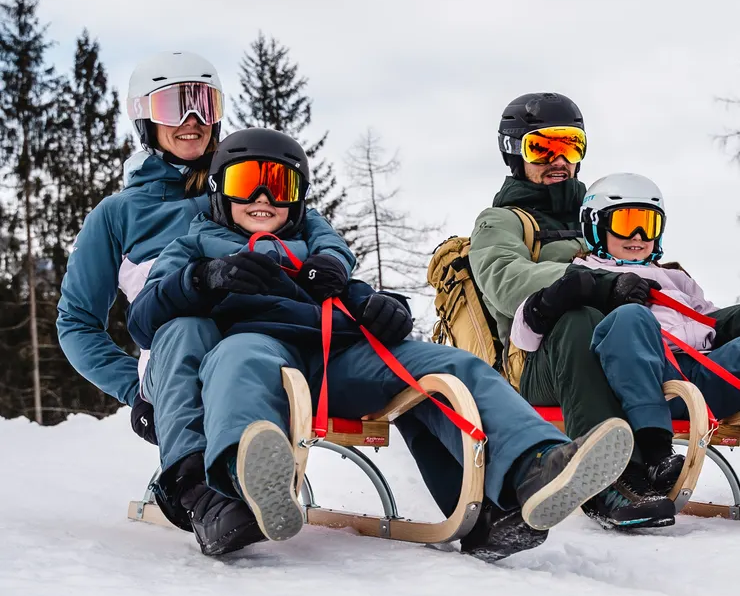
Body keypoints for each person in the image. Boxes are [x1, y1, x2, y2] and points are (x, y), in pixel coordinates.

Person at [127, 127, 635, 562]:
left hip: (339, 354)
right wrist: (204, 279)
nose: (264, 198)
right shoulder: (193, 246)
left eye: (280, 185)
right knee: (238, 360)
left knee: (449, 365)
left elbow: (358, 300)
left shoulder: (322, 253)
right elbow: (145, 318)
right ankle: (243, 484)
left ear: (298, 196)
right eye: (246, 182)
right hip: (255, 349)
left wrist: (380, 307)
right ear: (220, 191)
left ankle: (535, 465)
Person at [57, 51, 270, 552]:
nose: (192, 120)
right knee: (188, 328)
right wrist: (133, 391)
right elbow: (77, 321)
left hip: (261, 343)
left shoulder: (247, 188)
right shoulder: (119, 214)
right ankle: (197, 490)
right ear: (145, 117)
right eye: (176, 105)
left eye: (204, 103)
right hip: (175, 355)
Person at [469, 93, 674, 529]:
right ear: (515, 153)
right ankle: (604, 482)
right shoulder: (503, 221)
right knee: (578, 318)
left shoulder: (601, 214)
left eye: (570, 146)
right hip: (537, 362)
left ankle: (651, 462)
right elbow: (506, 281)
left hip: (620, 352)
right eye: (541, 148)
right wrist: (599, 285)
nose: (557, 159)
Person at [510, 172, 740, 526]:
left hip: (692, 379)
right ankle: (654, 451)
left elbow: (708, 327)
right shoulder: (578, 272)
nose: (637, 236)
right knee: (631, 318)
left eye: (647, 224)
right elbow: (524, 337)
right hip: (629, 382)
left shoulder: (677, 280)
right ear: (595, 226)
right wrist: (568, 295)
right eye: (626, 222)